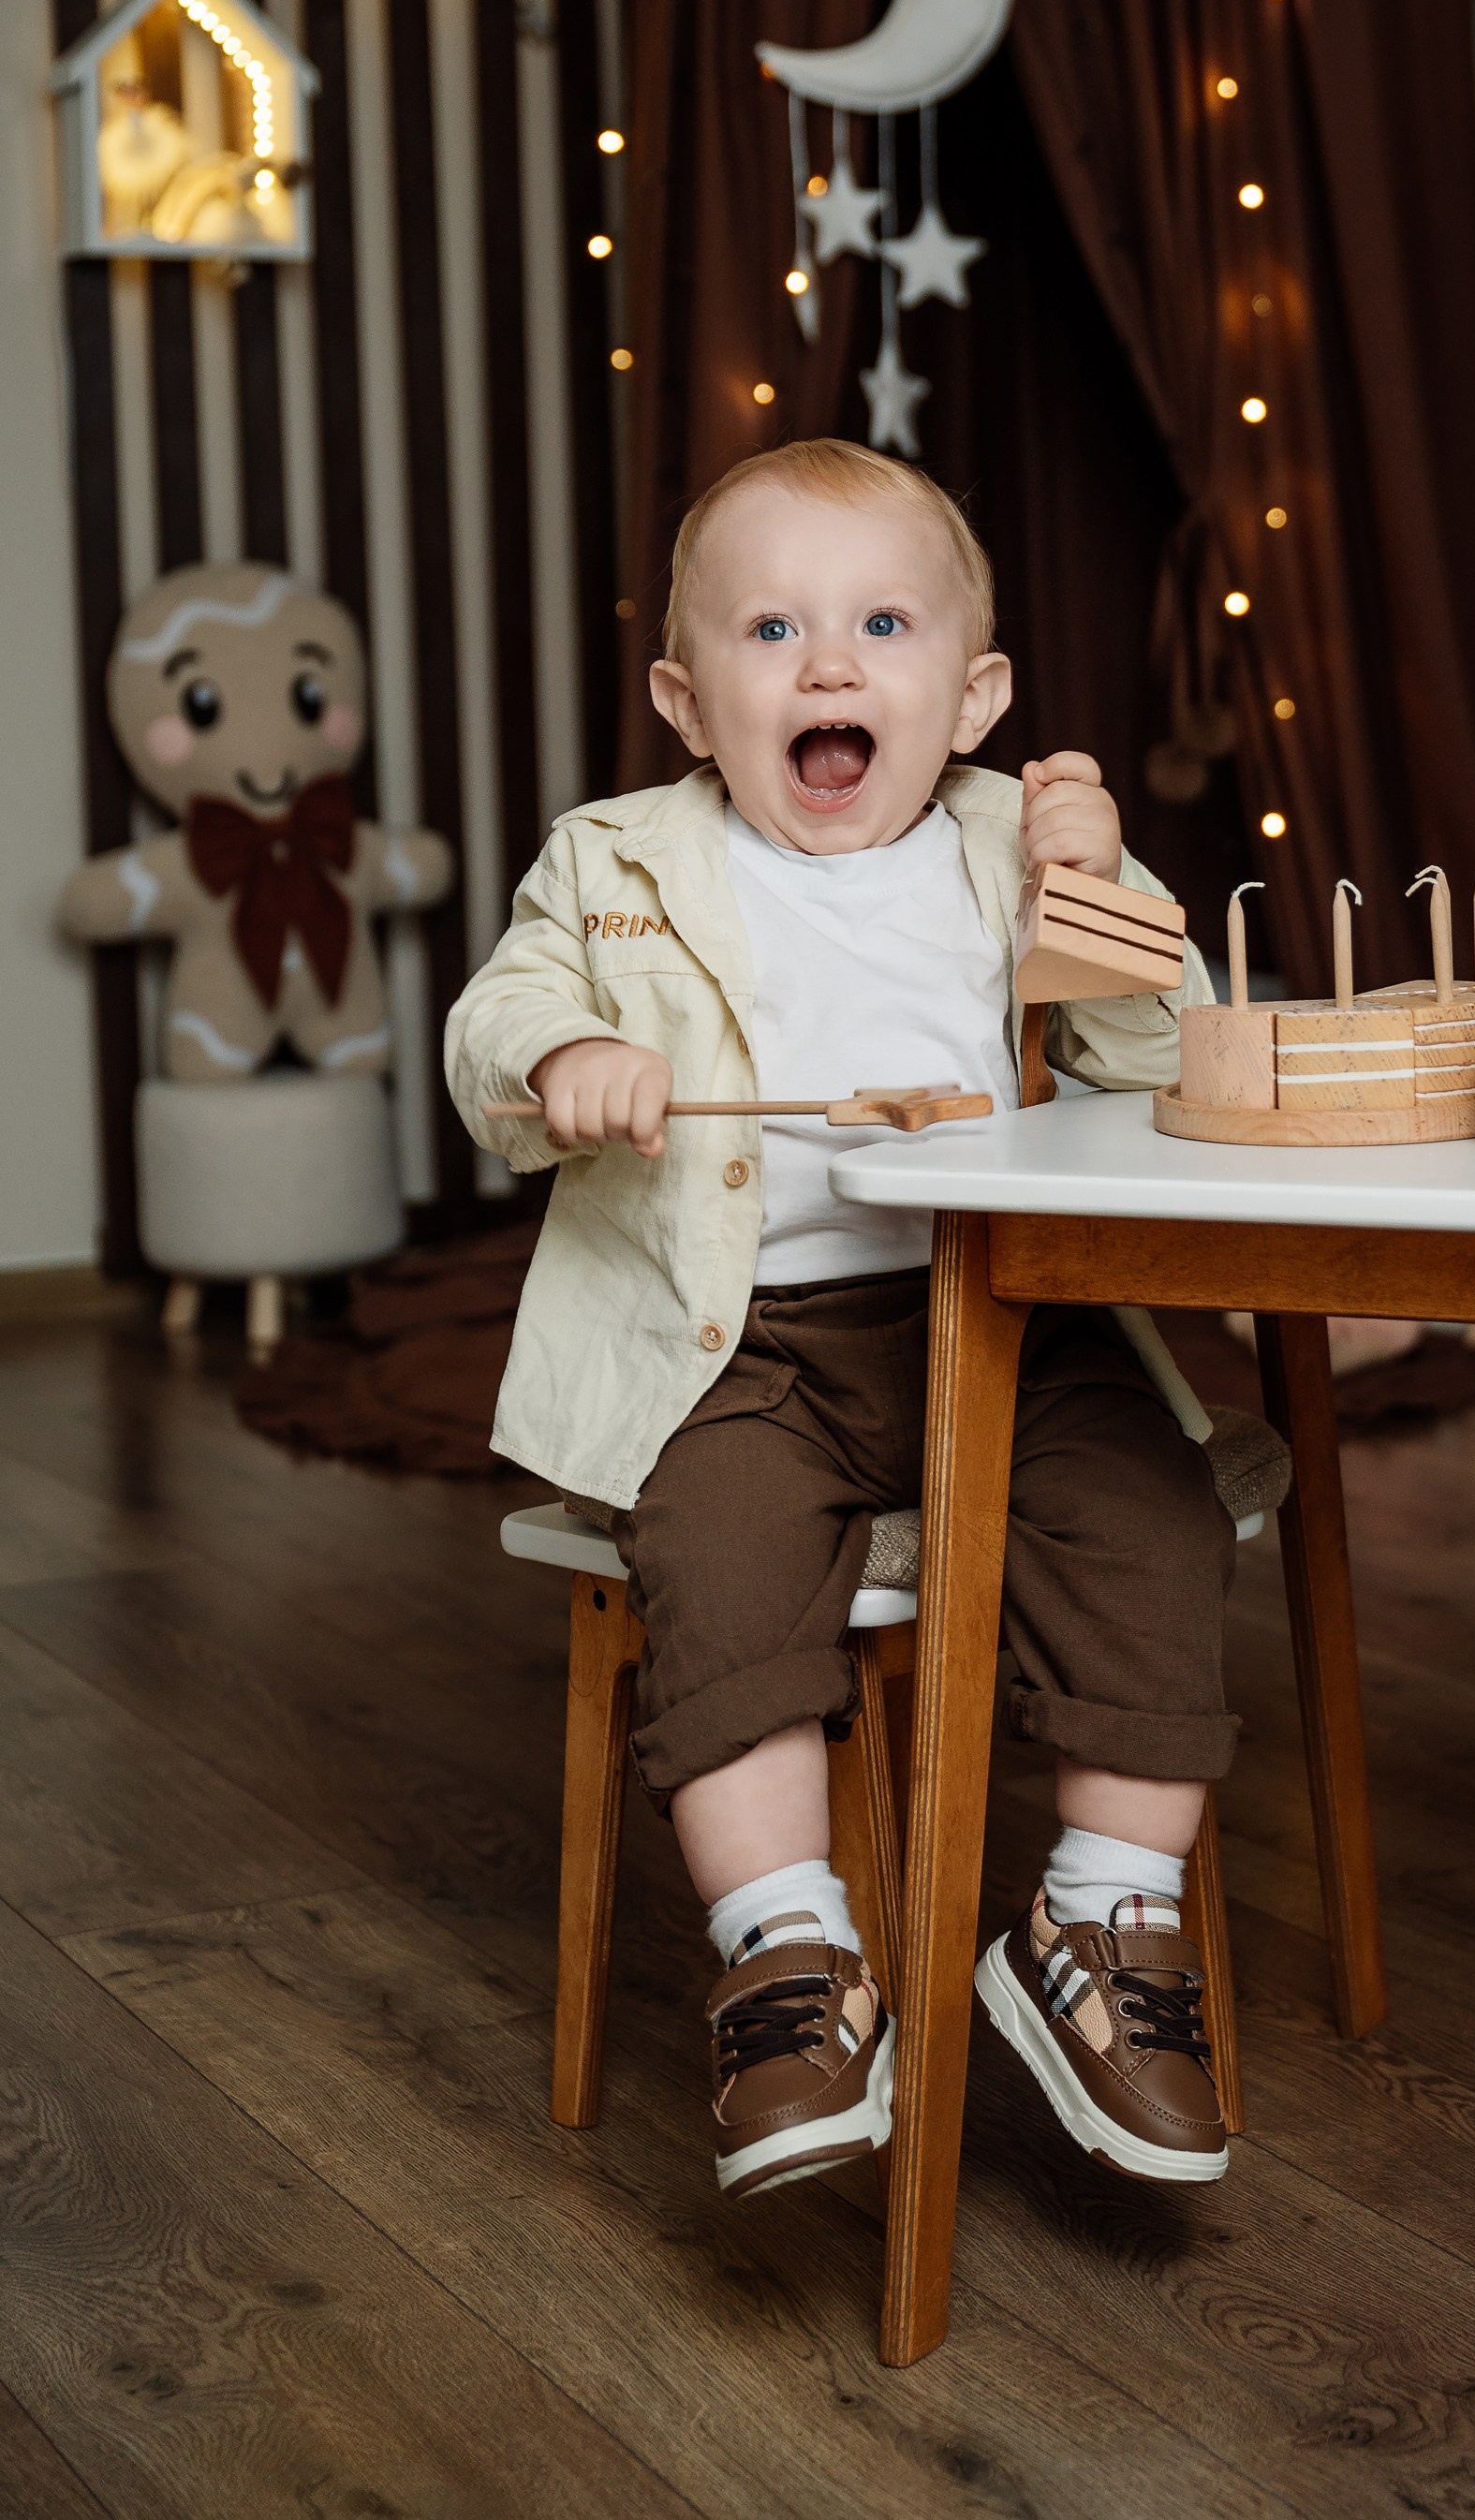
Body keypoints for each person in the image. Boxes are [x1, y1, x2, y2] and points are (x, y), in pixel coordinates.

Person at [446, 440, 1240, 2202]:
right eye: (772, 630)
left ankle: (1098, 1919)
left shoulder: (1002, 846)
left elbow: (1158, 1056)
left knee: (1150, 1519)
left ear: (971, 697)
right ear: (684, 697)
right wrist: (560, 1055)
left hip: (1014, 1319)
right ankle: (788, 1955)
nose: (825, 667)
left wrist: (1095, 893)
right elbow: (490, 1025)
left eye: (880, 626)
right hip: (743, 1345)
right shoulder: (614, 862)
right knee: (713, 1557)